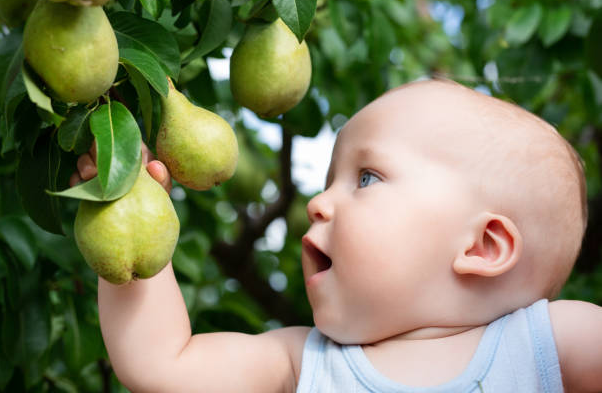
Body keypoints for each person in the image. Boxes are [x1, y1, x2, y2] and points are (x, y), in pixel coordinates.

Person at [71, 79, 602, 392]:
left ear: (482, 246)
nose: (318, 203)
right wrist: (130, 212)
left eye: (366, 178)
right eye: (329, 180)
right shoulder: (305, 363)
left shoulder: (549, 346)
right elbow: (163, 366)